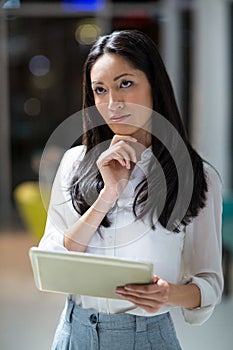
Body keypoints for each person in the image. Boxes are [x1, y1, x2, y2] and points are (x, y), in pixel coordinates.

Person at [38, 30, 223, 350]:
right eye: (100, 90)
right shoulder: (74, 163)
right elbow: (53, 258)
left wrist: (168, 294)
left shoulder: (197, 176)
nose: (113, 103)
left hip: (148, 338)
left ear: (154, 85)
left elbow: (209, 284)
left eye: (126, 83)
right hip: (73, 334)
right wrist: (107, 194)